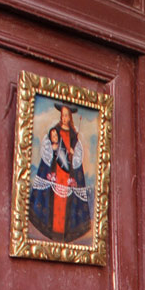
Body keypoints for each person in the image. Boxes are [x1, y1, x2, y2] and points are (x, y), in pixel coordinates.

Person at [28, 104, 92, 242]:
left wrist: (73, 152)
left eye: (66, 115)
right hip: (56, 171)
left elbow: (76, 156)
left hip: (68, 175)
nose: (64, 118)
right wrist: (53, 149)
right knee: (54, 203)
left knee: (66, 205)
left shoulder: (74, 135)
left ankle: (64, 233)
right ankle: (53, 231)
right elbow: (49, 147)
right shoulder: (55, 131)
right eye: (62, 115)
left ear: (70, 118)